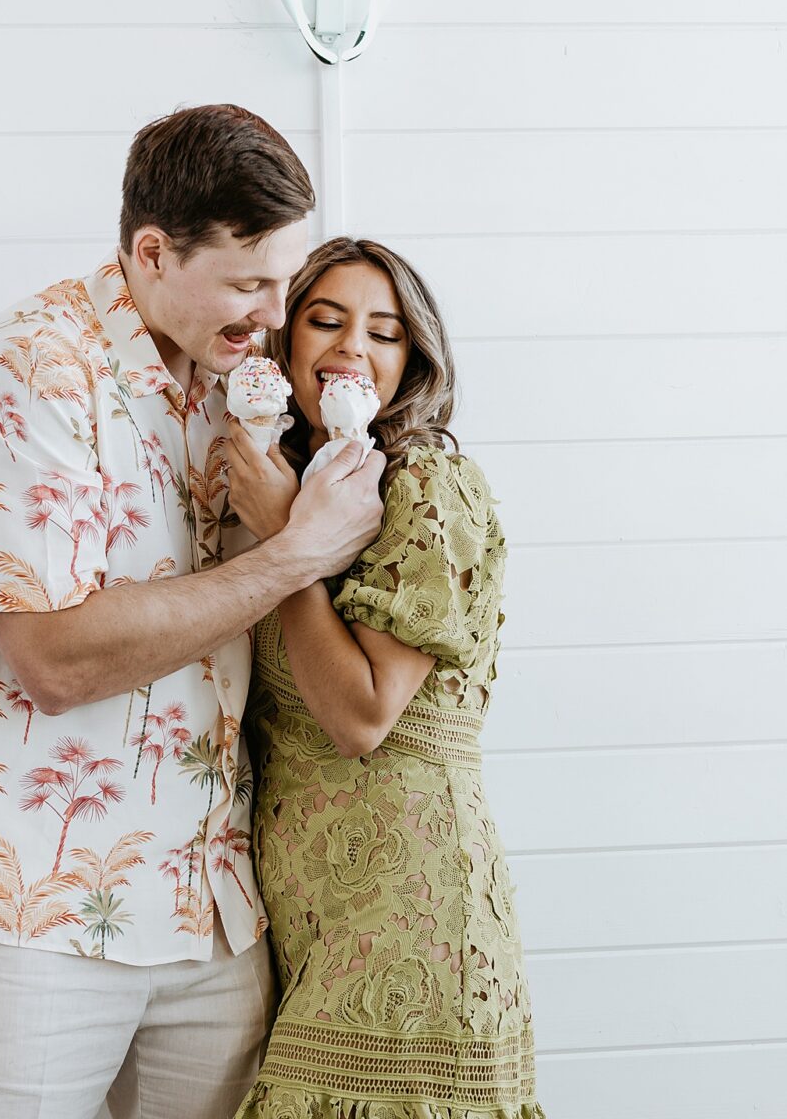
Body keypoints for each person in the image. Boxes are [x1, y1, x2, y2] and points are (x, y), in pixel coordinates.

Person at [0, 106, 388, 1119]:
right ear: (153, 251)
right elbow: (55, 659)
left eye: (283, 283)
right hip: (35, 912)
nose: (271, 313)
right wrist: (297, 554)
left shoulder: (239, 379)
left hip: (214, 905)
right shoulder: (33, 365)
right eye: (249, 283)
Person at [226, 237, 546, 1119]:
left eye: (384, 332)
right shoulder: (279, 476)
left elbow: (362, 716)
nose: (349, 348)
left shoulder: (427, 484)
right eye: (324, 321)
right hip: (301, 911)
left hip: (412, 905)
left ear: (411, 364)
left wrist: (289, 548)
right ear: (284, 343)